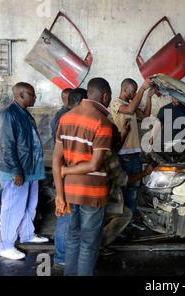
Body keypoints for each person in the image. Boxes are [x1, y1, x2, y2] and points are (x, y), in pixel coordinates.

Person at [53, 78, 113, 276]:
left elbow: (56, 160)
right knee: (88, 243)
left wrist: (59, 195)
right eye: (109, 97)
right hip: (92, 193)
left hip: (69, 191)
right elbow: (94, 164)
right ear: (105, 96)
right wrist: (67, 170)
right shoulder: (102, 122)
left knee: (72, 238)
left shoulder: (66, 118)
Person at [0, 82, 49, 260]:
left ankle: (27, 235)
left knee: (30, 204)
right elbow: (6, 146)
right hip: (17, 171)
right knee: (13, 208)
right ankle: (6, 246)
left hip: (29, 168)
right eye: (32, 94)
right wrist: (16, 171)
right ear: (20, 94)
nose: (35, 97)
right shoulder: (9, 114)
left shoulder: (24, 113)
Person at [109, 78, 155, 231]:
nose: (135, 93)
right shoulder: (116, 104)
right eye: (133, 90)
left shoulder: (130, 105)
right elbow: (129, 110)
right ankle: (122, 224)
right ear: (125, 89)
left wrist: (148, 96)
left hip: (134, 152)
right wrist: (142, 89)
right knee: (126, 187)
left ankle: (129, 221)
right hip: (123, 153)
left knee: (134, 188)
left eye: (136, 90)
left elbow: (146, 114)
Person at [51, 88, 87, 268]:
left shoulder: (67, 117)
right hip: (67, 173)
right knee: (65, 216)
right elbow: (60, 155)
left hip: (69, 173)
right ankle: (61, 257)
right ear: (81, 102)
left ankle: (67, 254)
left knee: (70, 216)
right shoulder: (65, 119)